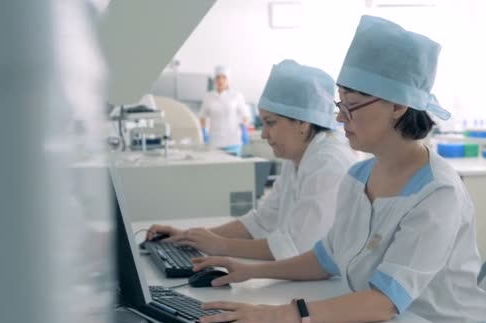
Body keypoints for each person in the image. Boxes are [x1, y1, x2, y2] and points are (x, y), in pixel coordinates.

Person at [190, 16, 486, 323]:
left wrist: (279, 316)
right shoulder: (357, 177)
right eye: (340, 104)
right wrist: (249, 272)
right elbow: (325, 259)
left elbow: (384, 301)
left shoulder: (438, 193)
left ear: (397, 105)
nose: (338, 117)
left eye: (350, 106)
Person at [147, 60, 357, 261]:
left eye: (270, 123)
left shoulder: (328, 164)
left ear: (302, 123)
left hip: (330, 288)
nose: (264, 134)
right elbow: (260, 222)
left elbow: (295, 246)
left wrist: (221, 246)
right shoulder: (298, 157)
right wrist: (188, 236)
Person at [199, 65, 251, 154]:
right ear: (214, 80)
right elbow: (202, 116)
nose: (220, 80)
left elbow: (245, 115)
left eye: (224, 77)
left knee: (233, 166)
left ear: (228, 80)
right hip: (214, 141)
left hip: (233, 140)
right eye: (218, 77)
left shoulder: (236, 95)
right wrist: (203, 131)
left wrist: (244, 130)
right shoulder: (208, 96)